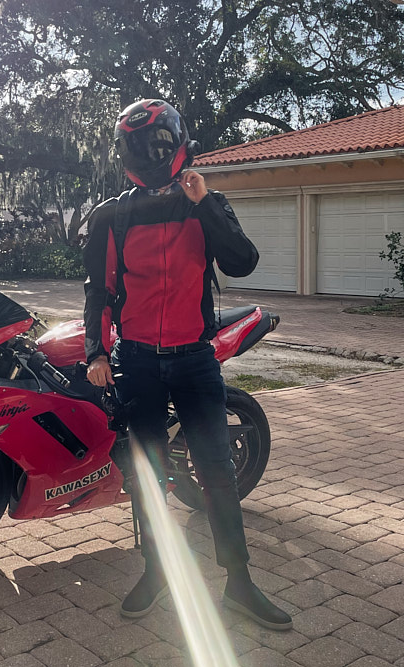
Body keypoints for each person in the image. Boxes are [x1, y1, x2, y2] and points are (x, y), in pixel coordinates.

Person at [83, 98, 292, 630]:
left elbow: (242, 262)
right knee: (148, 475)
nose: (149, 155)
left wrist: (203, 206)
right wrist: (96, 351)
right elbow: (98, 293)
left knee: (217, 473)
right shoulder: (111, 217)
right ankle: (156, 571)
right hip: (138, 362)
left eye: (156, 145)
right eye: (138, 147)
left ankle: (239, 584)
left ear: (176, 146)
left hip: (195, 359)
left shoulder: (206, 202)